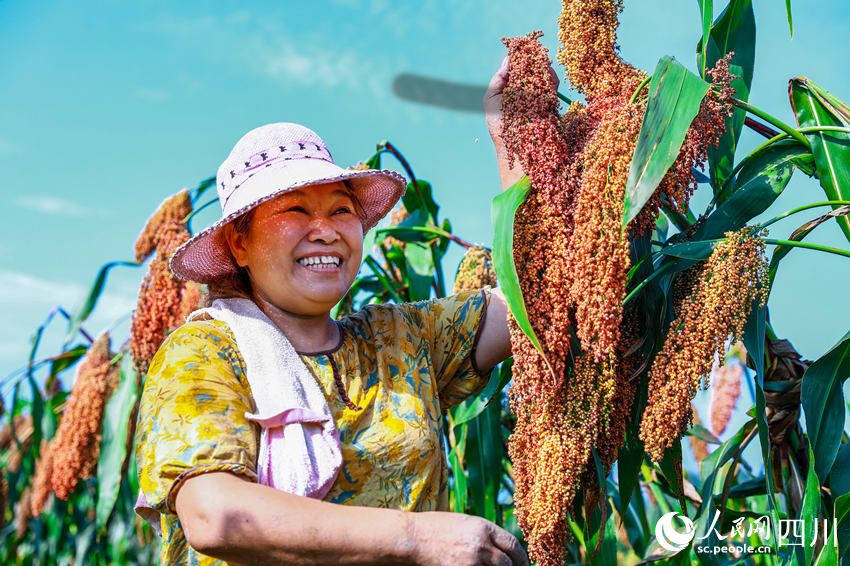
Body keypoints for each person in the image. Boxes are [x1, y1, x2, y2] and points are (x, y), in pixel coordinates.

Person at [134, 56, 535, 566]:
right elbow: (216, 516)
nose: (325, 229)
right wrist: (418, 539)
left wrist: (518, 135)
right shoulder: (202, 355)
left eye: (341, 209)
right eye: (295, 209)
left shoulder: (404, 339)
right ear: (239, 243)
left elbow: (528, 297)